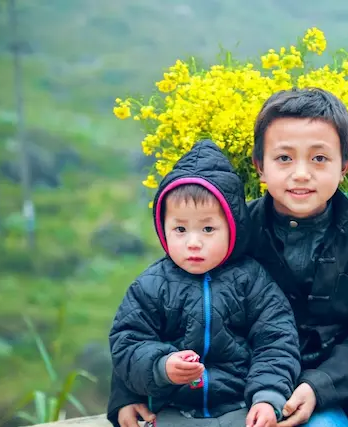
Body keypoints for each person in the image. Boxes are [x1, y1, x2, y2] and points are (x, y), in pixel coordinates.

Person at [110, 87, 348, 426]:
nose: (301, 173)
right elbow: (166, 303)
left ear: (344, 167)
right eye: (284, 158)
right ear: (260, 167)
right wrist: (127, 394)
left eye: (319, 158)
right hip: (280, 379)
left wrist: (320, 385)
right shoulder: (234, 232)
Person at [108, 139, 301, 427]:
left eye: (208, 228)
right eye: (180, 229)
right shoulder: (151, 285)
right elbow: (128, 343)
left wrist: (267, 396)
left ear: (233, 227)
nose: (193, 242)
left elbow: (277, 341)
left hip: (242, 408)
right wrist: (162, 367)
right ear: (163, 227)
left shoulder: (252, 280)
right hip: (173, 409)